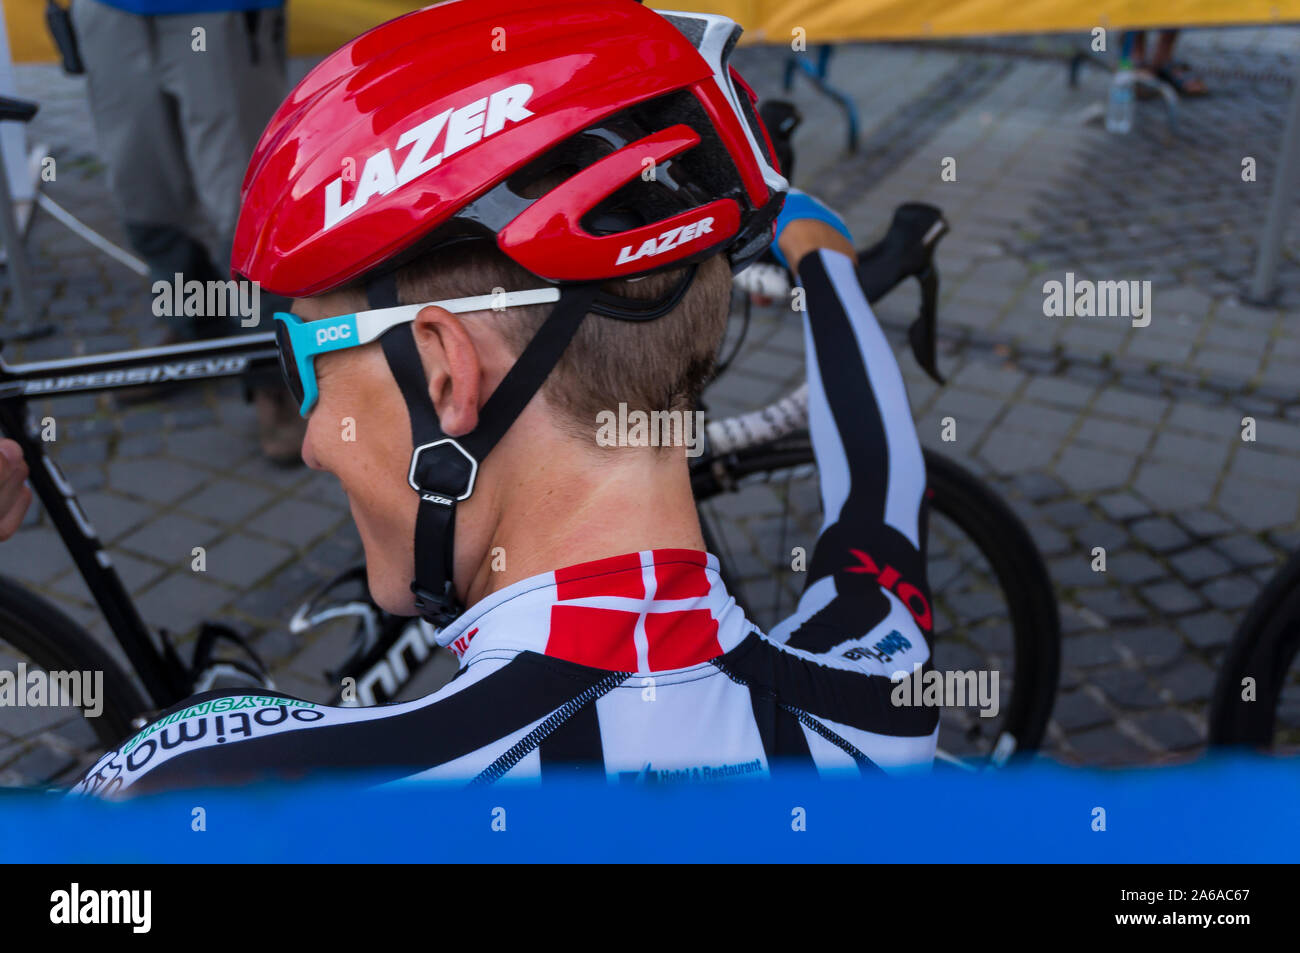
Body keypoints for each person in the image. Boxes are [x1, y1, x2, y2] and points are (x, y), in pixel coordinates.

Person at [72, 0, 938, 797]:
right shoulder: (881, 694)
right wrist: (822, 258)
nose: (312, 442)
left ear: (445, 372)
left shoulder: (192, 791)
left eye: (306, 361)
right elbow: (880, 481)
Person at [68, 0, 305, 462]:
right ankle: (197, 326)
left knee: (245, 198)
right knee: (143, 190)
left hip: (217, 9)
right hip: (110, 11)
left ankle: (272, 374)